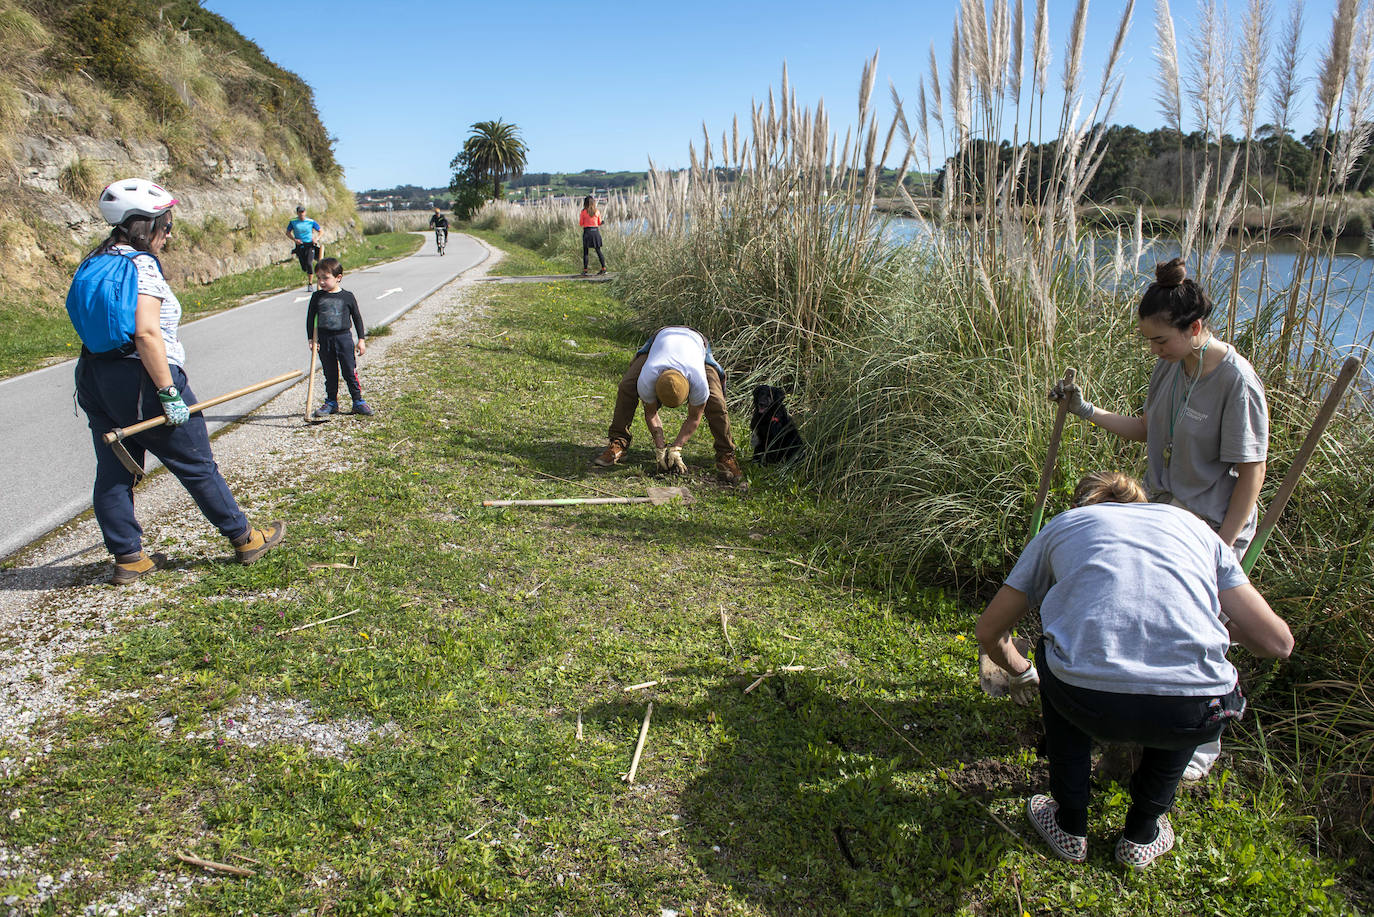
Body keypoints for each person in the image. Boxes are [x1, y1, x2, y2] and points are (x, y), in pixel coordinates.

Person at [975, 471, 1292, 869]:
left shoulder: (1067, 526)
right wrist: (1216, 635)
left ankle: (1069, 825)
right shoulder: (1194, 530)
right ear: (1142, 505)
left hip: (1085, 700)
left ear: (1084, 508)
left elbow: (990, 630)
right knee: (1193, 685)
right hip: (1195, 711)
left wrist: (1021, 671)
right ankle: (1141, 834)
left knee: (1051, 652)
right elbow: (1278, 643)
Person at [1049, 257, 1269, 781]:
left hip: (1215, 525)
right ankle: (1136, 731)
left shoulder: (1236, 382)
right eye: (1148, 341)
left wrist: (1222, 545)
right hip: (1165, 517)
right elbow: (1148, 429)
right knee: (1151, 619)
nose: (1154, 350)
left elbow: (1252, 471)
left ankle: (1192, 753)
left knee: (1204, 629)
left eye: (1160, 340)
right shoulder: (1171, 365)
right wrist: (1086, 410)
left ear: (1195, 329)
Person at [71, 178, 285, 584]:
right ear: (143, 225)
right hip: (143, 377)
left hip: (95, 377)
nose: (168, 233)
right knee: (195, 462)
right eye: (165, 225)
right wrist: (168, 392)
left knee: (115, 470)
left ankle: (129, 558)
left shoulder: (93, 261)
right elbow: (147, 333)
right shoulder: (140, 264)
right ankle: (245, 538)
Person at [593, 326, 742, 484]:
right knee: (627, 386)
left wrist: (677, 447)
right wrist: (660, 446)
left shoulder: (698, 381)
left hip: (695, 342)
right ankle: (619, 442)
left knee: (716, 401)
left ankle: (725, 455)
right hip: (661, 340)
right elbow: (651, 413)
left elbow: (694, 417)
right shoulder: (648, 376)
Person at [305, 258, 372, 417]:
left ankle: (358, 401)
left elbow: (357, 318)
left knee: (349, 371)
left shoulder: (347, 296)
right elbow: (310, 318)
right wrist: (311, 340)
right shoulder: (317, 297)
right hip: (324, 340)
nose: (321, 281)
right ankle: (331, 402)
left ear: (338, 277)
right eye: (319, 278)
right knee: (330, 372)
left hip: (344, 339)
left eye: (325, 278)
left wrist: (361, 340)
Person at [286, 205, 323, 290]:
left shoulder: (310, 221)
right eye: (300, 212)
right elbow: (287, 232)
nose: (301, 214)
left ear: (305, 212)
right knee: (304, 267)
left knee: (309, 263)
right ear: (297, 213)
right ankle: (307, 272)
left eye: (303, 212)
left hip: (310, 245)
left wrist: (316, 238)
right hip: (300, 246)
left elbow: (320, 231)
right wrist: (294, 240)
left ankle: (310, 284)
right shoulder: (293, 222)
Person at [579, 195, 606, 276]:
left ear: (585, 203)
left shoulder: (583, 212)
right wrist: (601, 222)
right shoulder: (597, 212)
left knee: (586, 252)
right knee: (598, 250)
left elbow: (581, 224)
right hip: (595, 232)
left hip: (587, 232)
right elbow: (599, 222)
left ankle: (585, 270)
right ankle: (603, 268)